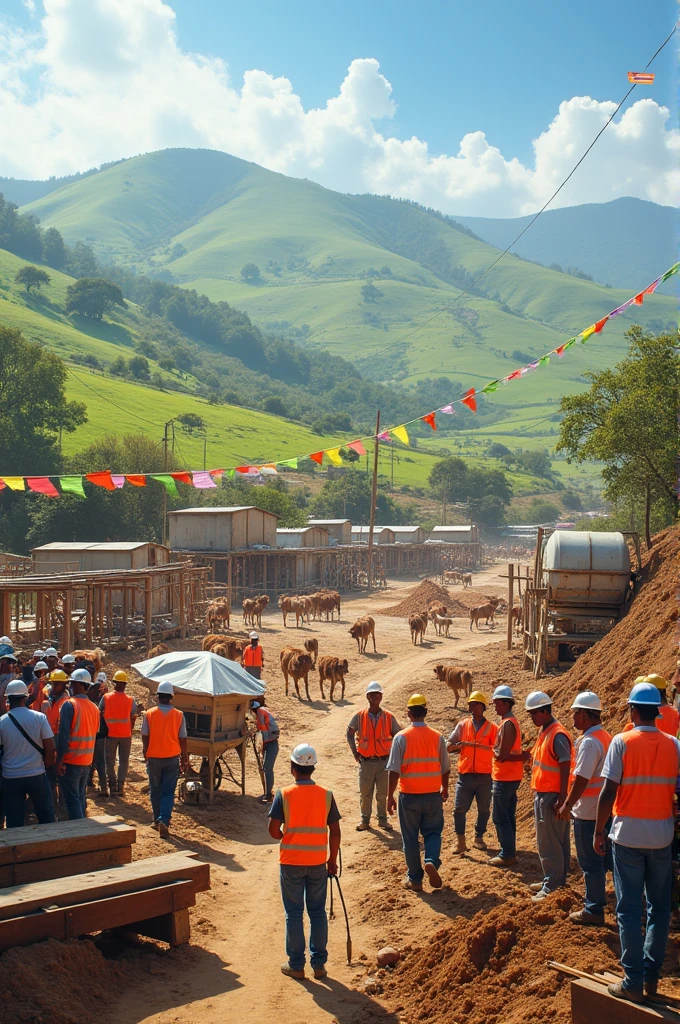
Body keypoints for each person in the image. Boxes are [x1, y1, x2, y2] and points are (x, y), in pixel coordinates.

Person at [595, 680, 680, 1004]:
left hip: (627, 836)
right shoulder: (674, 744)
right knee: (658, 909)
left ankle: (633, 980)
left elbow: (608, 792)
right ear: (658, 712)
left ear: (632, 709)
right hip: (661, 837)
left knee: (629, 911)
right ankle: (651, 980)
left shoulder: (622, 741)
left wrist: (598, 831)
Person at [267, 743, 341, 980]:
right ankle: (319, 964)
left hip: (291, 862)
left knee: (294, 913)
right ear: (313, 768)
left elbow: (272, 829)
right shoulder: (326, 795)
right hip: (318, 862)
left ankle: (296, 965)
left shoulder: (284, 794)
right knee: (317, 912)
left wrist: (284, 836)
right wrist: (332, 859)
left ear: (292, 768)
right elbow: (336, 831)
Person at [556, 691, 612, 926]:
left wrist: (567, 804)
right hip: (603, 809)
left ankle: (593, 909)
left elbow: (582, 779)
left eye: (576, 714)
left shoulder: (589, 742)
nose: (573, 719)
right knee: (603, 860)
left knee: (590, 863)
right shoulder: (606, 736)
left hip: (588, 811)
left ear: (587, 716)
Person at [386, 694, 450, 892]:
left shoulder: (401, 738)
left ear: (408, 713)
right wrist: (445, 787)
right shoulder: (437, 736)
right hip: (432, 794)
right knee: (433, 833)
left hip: (409, 796)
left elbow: (394, 770)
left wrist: (389, 797)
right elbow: (446, 767)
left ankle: (415, 879)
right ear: (426, 712)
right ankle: (431, 860)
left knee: (410, 839)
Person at [525, 690, 572, 901]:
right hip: (546, 792)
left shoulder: (557, 734)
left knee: (549, 842)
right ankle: (555, 880)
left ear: (544, 711)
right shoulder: (546, 731)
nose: (531, 718)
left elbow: (565, 762)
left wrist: (563, 797)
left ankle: (552, 885)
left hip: (551, 795)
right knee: (557, 840)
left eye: (534, 713)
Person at [346, 681, 401, 832]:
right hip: (366, 762)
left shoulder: (389, 717)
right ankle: (365, 820)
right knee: (365, 793)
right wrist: (354, 752)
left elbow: (398, 736)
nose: (375, 696)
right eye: (372, 694)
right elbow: (349, 733)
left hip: (384, 762)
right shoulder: (360, 716)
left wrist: (394, 757)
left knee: (382, 794)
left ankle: (382, 820)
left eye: (377, 694)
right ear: (367, 696)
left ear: (381, 696)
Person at [447, 691, 498, 853]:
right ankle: (460, 842)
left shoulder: (492, 728)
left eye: (475, 704)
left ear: (483, 707)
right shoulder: (462, 725)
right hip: (465, 775)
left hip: (484, 776)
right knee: (459, 810)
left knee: (484, 809)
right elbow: (449, 745)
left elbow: (497, 750)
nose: (472, 707)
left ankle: (478, 837)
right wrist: (459, 745)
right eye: (470, 704)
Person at [0, 680, 55, 827]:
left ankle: (17, 849)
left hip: (11, 777)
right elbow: (50, 746)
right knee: (46, 817)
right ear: (25, 697)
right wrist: (46, 765)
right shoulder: (39, 717)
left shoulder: (2, 722)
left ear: (8, 699)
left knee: (15, 821)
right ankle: (49, 846)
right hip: (36, 774)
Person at [142, 681, 188, 837]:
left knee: (155, 789)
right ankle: (164, 820)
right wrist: (185, 758)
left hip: (154, 757)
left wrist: (145, 753)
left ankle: (156, 820)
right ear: (171, 697)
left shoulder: (149, 714)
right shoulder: (179, 715)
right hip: (171, 758)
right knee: (168, 792)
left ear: (158, 696)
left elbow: (145, 736)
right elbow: (183, 739)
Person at [55, 667, 100, 819]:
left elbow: (64, 737)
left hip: (71, 760)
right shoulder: (94, 708)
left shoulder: (70, 705)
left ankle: (81, 831)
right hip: (86, 761)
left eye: (73, 684)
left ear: (80, 685)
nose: (71, 687)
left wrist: (59, 761)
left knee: (73, 799)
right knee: (80, 797)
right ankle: (84, 828)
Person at [489, 684, 525, 868]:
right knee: (508, 816)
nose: (494, 706)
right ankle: (509, 850)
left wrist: (494, 752)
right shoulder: (509, 722)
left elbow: (502, 755)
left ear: (505, 704)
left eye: (496, 703)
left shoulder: (507, 724)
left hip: (504, 777)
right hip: (511, 776)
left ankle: (508, 854)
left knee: (500, 817)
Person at [100, 670, 137, 797]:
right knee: (124, 761)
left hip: (110, 734)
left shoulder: (106, 698)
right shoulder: (131, 700)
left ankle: (112, 786)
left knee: (109, 761)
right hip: (126, 734)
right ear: (125, 685)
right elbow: (133, 716)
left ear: (114, 683)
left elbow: (100, 712)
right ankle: (120, 786)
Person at [42, 669, 70, 820]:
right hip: (49, 745)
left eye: (56, 684)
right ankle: (52, 811)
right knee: (50, 782)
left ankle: (63, 814)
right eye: (52, 683)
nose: (53, 686)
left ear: (63, 685)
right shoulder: (49, 701)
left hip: (60, 745)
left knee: (63, 782)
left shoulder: (67, 703)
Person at [251, 698, 279, 803]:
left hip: (271, 744)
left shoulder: (260, 712)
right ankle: (267, 793)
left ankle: (269, 795)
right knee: (266, 768)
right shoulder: (263, 710)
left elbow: (263, 730)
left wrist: (262, 745)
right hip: (270, 742)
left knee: (267, 769)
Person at [90, 672, 109, 795]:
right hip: (100, 734)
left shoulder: (90, 696)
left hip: (93, 734)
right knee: (100, 762)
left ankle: (90, 782)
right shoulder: (106, 697)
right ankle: (102, 787)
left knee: (92, 761)